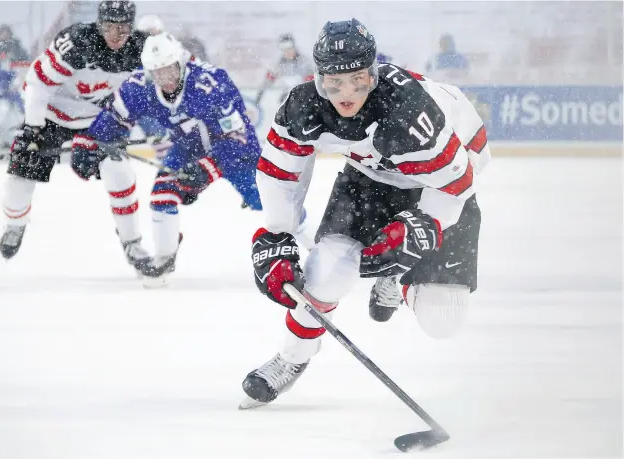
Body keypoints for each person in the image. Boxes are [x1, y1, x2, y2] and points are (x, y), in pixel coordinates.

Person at [240, 19, 490, 409]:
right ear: (318, 76)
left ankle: (398, 277)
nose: (346, 94)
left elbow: (457, 180)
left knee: (443, 320)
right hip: (372, 177)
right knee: (325, 272)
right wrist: (277, 235)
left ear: (373, 73)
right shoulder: (304, 105)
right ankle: (290, 359)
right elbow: (279, 170)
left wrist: (424, 226)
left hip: (443, 182)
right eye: (333, 83)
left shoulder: (408, 113)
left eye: (358, 80)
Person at [72, 33, 314, 287]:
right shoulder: (139, 87)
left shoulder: (210, 82)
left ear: (181, 63)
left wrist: (206, 169)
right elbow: (112, 119)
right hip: (188, 147)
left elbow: (238, 136)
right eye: (157, 73)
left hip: (235, 154)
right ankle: (163, 261)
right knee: (162, 195)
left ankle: (318, 247)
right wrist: (86, 144)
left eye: (169, 70)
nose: (164, 79)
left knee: (273, 205)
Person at [0, 0, 150, 275]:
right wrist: (33, 128)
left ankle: (132, 243)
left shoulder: (141, 49)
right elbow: (37, 84)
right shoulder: (77, 42)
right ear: (98, 24)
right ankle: (15, 224)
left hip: (97, 120)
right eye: (108, 27)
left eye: (123, 28)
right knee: (21, 174)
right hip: (51, 116)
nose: (116, 35)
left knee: (118, 171)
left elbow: (158, 89)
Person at [254, 33, 315, 105]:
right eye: (284, 50)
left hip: (303, 98)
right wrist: (259, 97)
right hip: (285, 99)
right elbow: (267, 82)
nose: (287, 52)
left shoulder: (305, 62)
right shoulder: (278, 64)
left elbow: (313, 83)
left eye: (290, 49)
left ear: (294, 47)